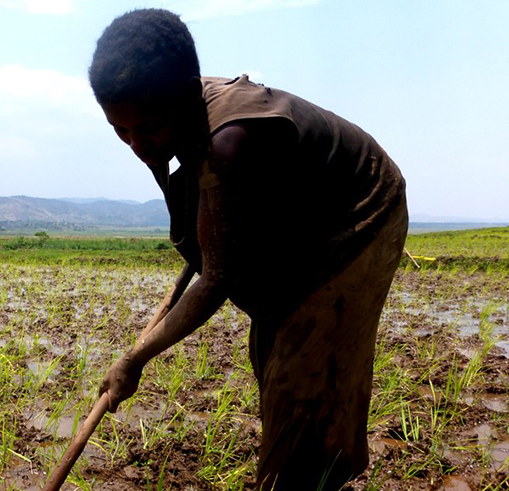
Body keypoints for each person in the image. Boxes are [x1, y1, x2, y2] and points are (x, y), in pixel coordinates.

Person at [89, 9, 408, 491]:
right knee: (274, 354)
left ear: (183, 94)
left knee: (302, 380)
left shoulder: (230, 141)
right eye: (121, 131)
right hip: (299, 217)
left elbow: (216, 279)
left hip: (357, 214)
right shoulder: (170, 111)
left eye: (147, 130)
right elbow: (214, 235)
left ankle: (304, 469)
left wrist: (135, 359)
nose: (137, 145)